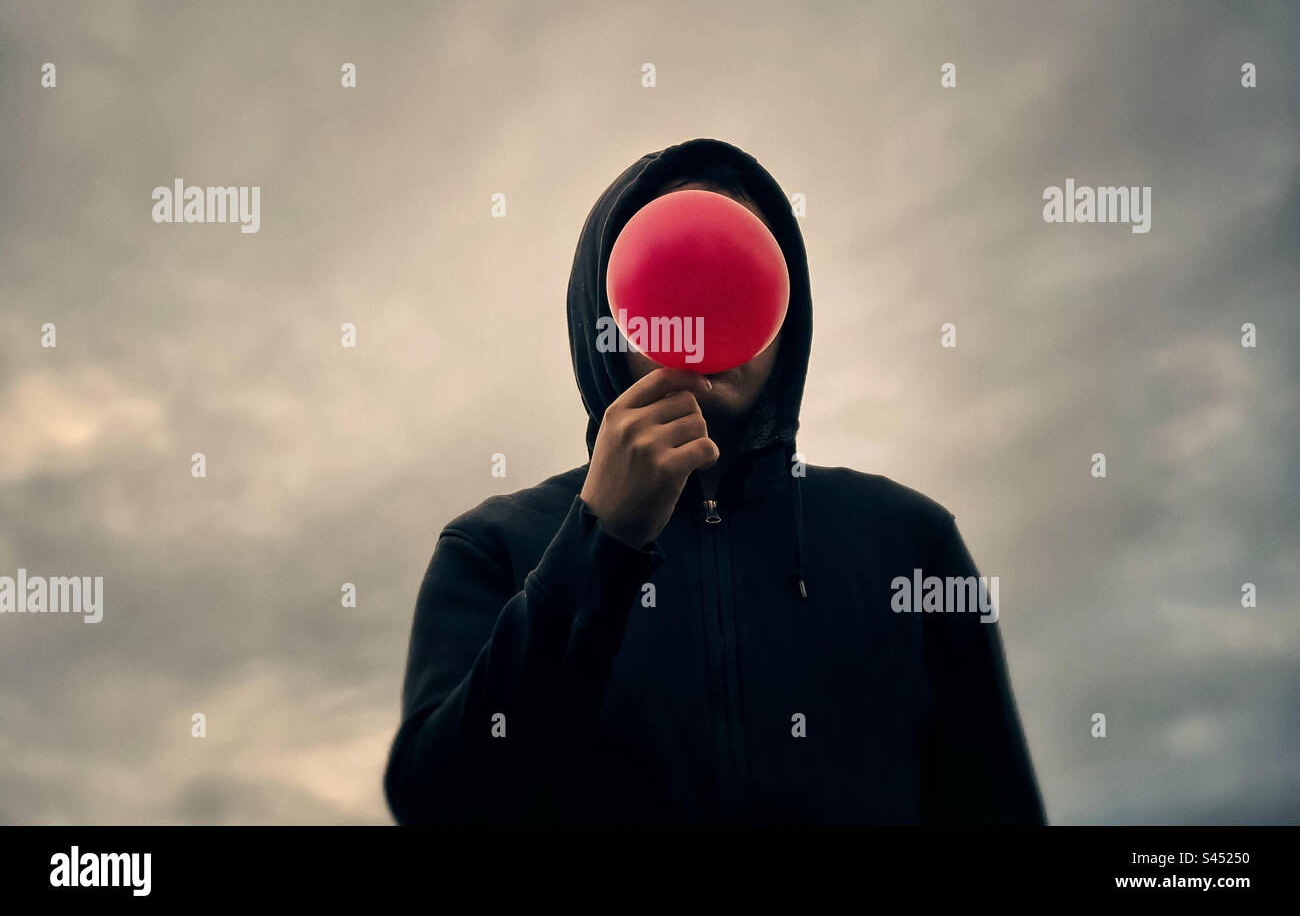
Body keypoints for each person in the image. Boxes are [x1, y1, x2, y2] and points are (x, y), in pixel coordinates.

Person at [383, 137, 1047, 824]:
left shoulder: (910, 544)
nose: (701, 311)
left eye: (738, 275)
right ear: (602, 313)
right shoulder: (492, 547)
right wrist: (597, 547)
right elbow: (438, 803)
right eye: (669, 270)